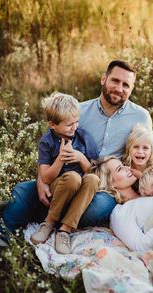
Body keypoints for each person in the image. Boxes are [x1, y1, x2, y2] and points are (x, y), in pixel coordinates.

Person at [0, 60, 152, 240]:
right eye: (115, 81)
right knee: (24, 190)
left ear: (132, 89)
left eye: (126, 85)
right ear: (104, 79)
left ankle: (45, 216)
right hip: (67, 177)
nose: (119, 88)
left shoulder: (140, 116)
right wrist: (41, 181)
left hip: (105, 186)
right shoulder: (78, 111)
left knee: (98, 208)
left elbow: (149, 154)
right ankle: (4, 232)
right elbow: (48, 147)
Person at [30, 92, 99, 254]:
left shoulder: (83, 137)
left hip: (81, 189)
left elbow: (93, 170)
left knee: (93, 179)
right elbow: (45, 177)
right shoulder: (47, 142)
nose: (74, 127)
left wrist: (81, 158)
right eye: (69, 125)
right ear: (52, 124)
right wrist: (61, 158)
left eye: (76, 122)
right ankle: (49, 222)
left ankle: (65, 230)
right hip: (59, 186)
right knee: (73, 178)